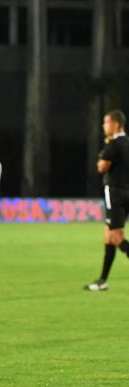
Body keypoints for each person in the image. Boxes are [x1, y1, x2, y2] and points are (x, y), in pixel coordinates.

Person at [85, 110, 129, 291]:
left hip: (115, 193)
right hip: (127, 191)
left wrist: (102, 157)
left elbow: (102, 167)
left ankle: (102, 281)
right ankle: (102, 280)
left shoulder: (114, 144)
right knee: (108, 236)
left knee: (116, 236)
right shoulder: (128, 142)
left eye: (106, 123)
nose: (104, 126)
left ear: (116, 124)